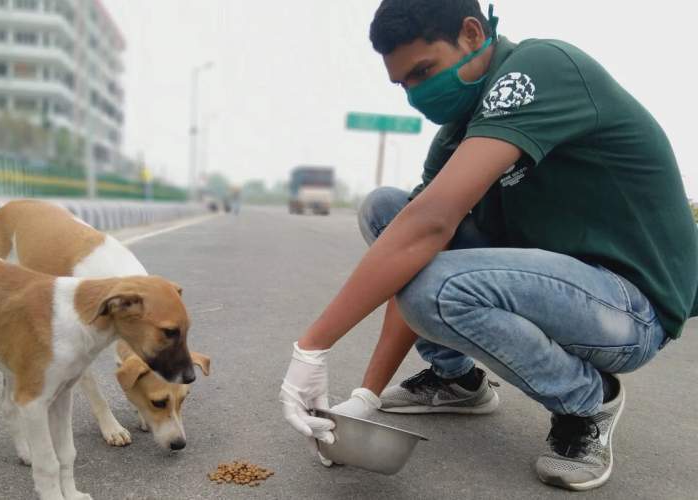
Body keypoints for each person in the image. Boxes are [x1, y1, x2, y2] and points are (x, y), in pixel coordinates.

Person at [279, 0, 697, 491]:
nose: (416, 94)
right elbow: (412, 242)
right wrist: (365, 399)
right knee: (388, 211)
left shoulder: (539, 69)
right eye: (403, 84)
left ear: (473, 34)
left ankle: (589, 401)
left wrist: (311, 348)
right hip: (554, 284)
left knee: (433, 285)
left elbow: (430, 227)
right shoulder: (458, 134)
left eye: (423, 71)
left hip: (631, 307)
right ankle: (457, 380)